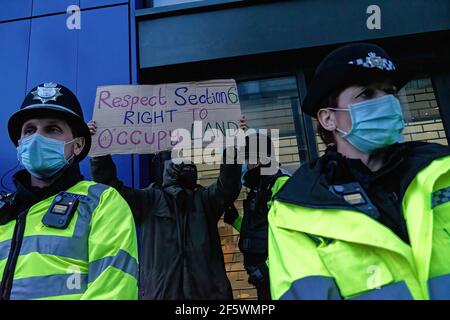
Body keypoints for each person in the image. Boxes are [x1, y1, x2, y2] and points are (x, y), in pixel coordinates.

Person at [268, 43, 450, 300]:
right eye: (366, 94)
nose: (386, 101)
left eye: (390, 91)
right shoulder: (295, 211)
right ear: (328, 119)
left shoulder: (444, 171)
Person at [0, 82, 138, 300]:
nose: (37, 138)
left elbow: (113, 290)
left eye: (52, 129)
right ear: (20, 144)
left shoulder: (102, 201)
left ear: (79, 145)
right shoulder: (3, 210)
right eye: (29, 130)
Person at [88, 120, 242, 299]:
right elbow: (109, 187)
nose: (182, 162)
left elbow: (228, 184)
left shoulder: (203, 201)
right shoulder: (149, 201)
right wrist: (98, 149)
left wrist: (232, 146)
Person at [224, 125, 290, 300]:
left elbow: (290, 237)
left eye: (247, 159)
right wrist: (236, 221)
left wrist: (267, 267)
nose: (245, 165)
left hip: (279, 277)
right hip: (263, 278)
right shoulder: (258, 188)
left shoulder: (280, 185)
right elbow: (259, 229)